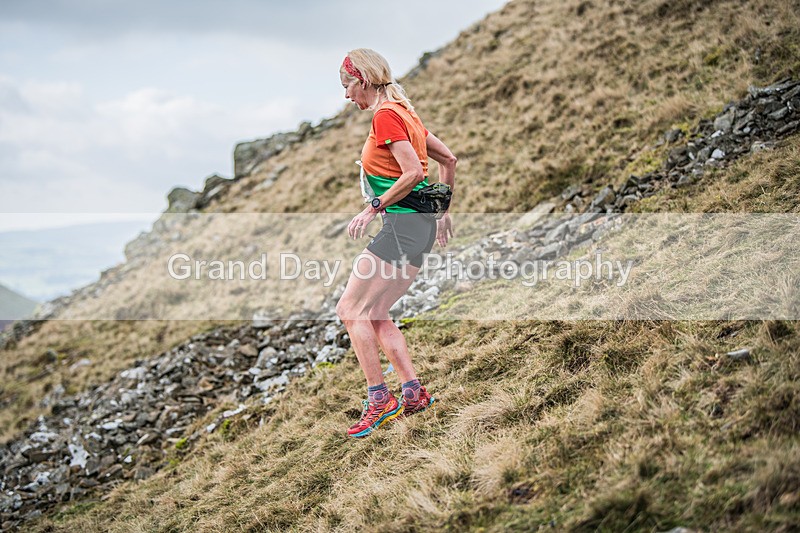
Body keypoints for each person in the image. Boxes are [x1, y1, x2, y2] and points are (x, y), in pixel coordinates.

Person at [335, 48, 457, 438]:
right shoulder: (405, 111)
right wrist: (441, 211)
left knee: (350, 309)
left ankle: (379, 399)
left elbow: (410, 172)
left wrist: (373, 207)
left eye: (347, 86)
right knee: (375, 312)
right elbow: (448, 161)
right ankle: (413, 391)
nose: (347, 95)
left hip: (402, 226)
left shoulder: (387, 115)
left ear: (364, 81)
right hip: (418, 229)